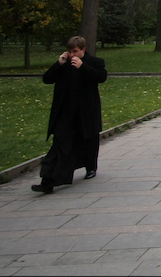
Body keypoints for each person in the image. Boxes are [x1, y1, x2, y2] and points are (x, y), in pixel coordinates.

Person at [32, 36, 107, 194]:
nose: (72, 54)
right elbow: (47, 79)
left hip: (85, 111)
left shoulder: (94, 62)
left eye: (75, 51)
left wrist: (83, 66)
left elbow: (101, 77)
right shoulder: (64, 64)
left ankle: (90, 167)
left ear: (83, 50)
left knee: (89, 140)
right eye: (70, 51)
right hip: (65, 112)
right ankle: (48, 181)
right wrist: (58, 64)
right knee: (60, 145)